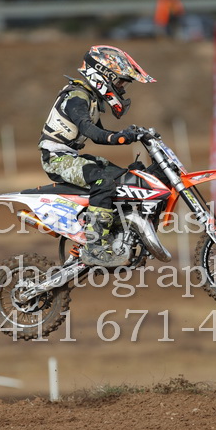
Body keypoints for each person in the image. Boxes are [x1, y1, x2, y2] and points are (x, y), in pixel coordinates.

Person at [39, 45, 156, 267]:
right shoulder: (76, 97)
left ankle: (119, 234)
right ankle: (95, 246)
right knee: (103, 181)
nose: (121, 89)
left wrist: (128, 133)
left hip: (69, 156)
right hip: (56, 158)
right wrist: (118, 138)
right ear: (104, 75)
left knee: (123, 177)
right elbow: (89, 130)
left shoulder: (89, 97)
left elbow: (100, 133)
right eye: (120, 82)